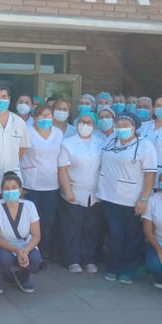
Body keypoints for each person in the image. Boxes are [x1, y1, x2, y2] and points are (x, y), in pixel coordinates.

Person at [96, 111, 157, 284]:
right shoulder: (110, 139)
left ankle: (128, 270)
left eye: (126, 125)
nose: (121, 128)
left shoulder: (145, 146)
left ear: (135, 127)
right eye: (118, 125)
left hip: (131, 199)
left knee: (132, 236)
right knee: (115, 235)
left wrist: (144, 199)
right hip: (108, 196)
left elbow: (150, 174)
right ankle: (113, 267)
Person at [58, 110, 104, 273]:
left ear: (94, 125)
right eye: (82, 122)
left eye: (89, 122)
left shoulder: (101, 142)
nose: (85, 125)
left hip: (95, 193)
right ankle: (72, 260)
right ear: (77, 123)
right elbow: (63, 169)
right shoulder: (68, 143)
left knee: (91, 228)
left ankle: (89, 259)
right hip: (74, 191)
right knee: (72, 228)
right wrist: (67, 190)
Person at [20, 104, 63, 258]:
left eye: (49, 116)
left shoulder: (58, 133)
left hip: (51, 184)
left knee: (47, 221)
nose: (45, 119)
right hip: (30, 183)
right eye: (42, 116)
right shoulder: (27, 131)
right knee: (30, 222)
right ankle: (29, 252)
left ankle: (43, 252)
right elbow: (18, 155)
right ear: (35, 117)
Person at [0, 172, 42, 293]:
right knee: (4, 258)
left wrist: (25, 250)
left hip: (24, 245)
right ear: (2, 191)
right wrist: (16, 250)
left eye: (14, 187)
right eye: (6, 188)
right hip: (3, 245)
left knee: (35, 258)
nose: (10, 191)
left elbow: (36, 235)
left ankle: (24, 278)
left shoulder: (29, 206)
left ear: (20, 190)